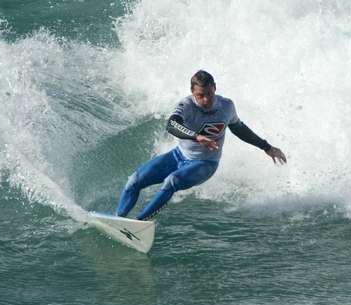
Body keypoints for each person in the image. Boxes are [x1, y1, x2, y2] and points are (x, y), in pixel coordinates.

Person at [116, 70, 287, 220]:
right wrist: (196, 137)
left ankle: (140, 223)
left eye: (209, 94)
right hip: (178, 156)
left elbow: (240, 129)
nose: (206, 100)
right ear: (192, 92)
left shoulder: (226, 106)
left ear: (214, 88)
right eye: (200, 95)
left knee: (171, 181)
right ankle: (119, 220)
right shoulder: (186, 105)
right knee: (134, 181)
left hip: (205, 164)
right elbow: (171, 124)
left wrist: (267, 147)